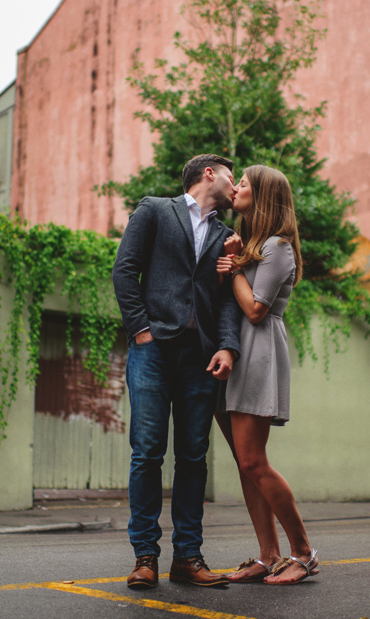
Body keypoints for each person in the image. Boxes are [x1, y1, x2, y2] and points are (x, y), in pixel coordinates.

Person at [112, 154, 243, 590]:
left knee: (192, 457)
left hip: (200, 357)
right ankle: (144, 556)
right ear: (209, 173)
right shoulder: (153, 209)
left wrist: (227, 344)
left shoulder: (227, 236)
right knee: (147, 451)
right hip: (153, 350)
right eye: (231, 175)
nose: (234, 184)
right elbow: (124, 271)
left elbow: (226, 299)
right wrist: (141, 331)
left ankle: (187, 557)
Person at [214, 165, 319, 585]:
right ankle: (268, 554)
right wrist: (237, 259)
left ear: (265, 196)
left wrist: (236, 268)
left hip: (258, 351)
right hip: (234, 352)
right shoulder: (251, 245)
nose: (236, 187)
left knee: (255, 460)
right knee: (245, 464)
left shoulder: (278, 247)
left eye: (244, 183)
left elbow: (256, 308)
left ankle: (305, 553)